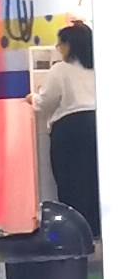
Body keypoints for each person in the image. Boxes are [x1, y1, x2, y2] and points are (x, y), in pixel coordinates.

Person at [35, 19, 99, 236]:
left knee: (70, 181)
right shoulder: (99, 68)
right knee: (95, 179)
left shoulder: (60, 70)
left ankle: (76, 231)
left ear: (69, 45)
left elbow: (46, 102)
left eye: (60, 44)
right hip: (98, 126)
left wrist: (33, 98)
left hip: (70, 129)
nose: (58, 48)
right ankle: (97, 228)